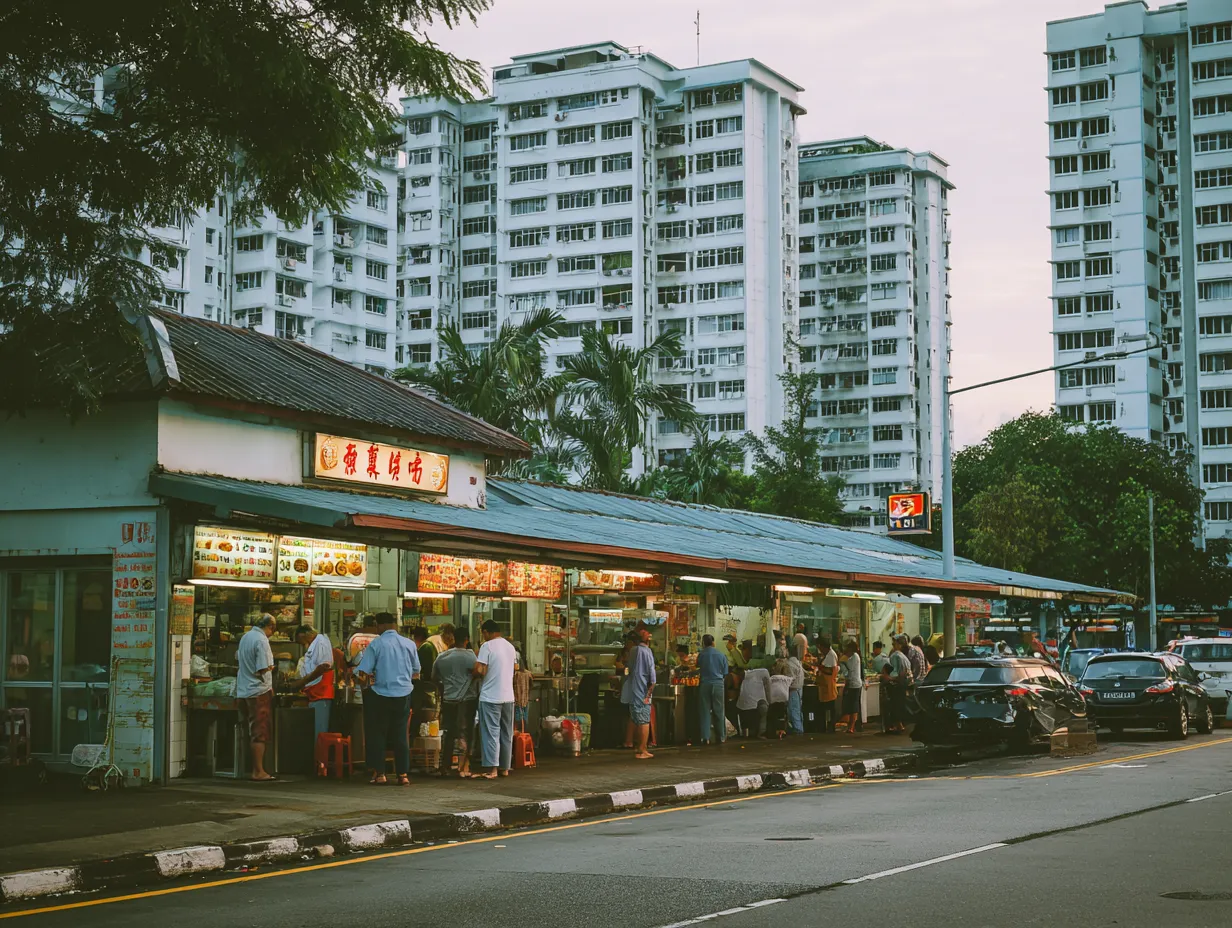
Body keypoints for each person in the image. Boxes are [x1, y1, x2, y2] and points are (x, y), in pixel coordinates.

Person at [356, 613, 419, 786]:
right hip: (404, 695)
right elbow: (416, 671)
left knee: (378, 734)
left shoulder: (376, 644)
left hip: (380, 695)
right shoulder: (409, 644)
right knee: (400, 734)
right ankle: (403, 775)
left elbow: (363, 673)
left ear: (381, 625)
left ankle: (380, 774)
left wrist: (362, 686)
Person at [474, 619, 517, 779]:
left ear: (487, 632)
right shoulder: (510, 647)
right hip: (508, 697)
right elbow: (515, 668)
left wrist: (475, 672)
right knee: (506, 733)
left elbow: (479, 669)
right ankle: (504, 768)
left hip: (490, 697)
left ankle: (491, 770)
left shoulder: (487, 646)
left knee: (491, 733)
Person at [236, 615, 277, 781]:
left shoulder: (246, 637)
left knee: (252, 730)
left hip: (244, 689)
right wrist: (271, 668)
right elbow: (261, 669)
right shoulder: (261, 640)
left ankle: (254, 769)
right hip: (258, 691)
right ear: (270, 627)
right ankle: (258, 771)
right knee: (260, 732)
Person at [432, 627, 477, 779]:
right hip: (467, 700)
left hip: (448, 700)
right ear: (466, 639)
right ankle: (463, 767)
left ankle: (445, 766)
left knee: (449, 733)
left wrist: (444, 689)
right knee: (466, 733)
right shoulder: (472, 657)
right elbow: (480, 673)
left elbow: (434, 677)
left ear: (452, 638)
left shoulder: (442, 657)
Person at [285, 625, 334, 743]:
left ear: (303, 635)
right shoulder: (314, 644)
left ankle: (320, 760)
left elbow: (324, 666)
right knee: (315, 733)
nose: (302, 645)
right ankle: (316, 759)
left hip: (321, 693)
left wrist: (302, 682)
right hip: (314, 694)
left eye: (300, 642)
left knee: (320, 734)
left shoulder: (321, 642)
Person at [628, 628, 657, 759]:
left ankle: (637, 747)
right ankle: (642, 750)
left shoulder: (633, 651)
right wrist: (649, 692)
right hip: (643, 690)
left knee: (636, 719)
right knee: (644, 721)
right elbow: (652, 676)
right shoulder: (647, 652)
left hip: (633, 690)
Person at [696, 634, 728, 745]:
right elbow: (725, 673)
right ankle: (721, 736)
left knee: (705, 711)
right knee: (719, 711)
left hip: (705, 684)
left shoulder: (701, 654)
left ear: (703, 643)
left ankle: (705, 737)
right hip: (718, 684)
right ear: (713, 642)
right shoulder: (721, 654)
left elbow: (698, 667)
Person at [883, 635, 913, 734]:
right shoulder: (904, 656)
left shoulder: (895, 655)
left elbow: (895, 672)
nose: (893, 646)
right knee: (900, 704)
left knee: (894, 705)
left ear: (899, 645)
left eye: (894, 644)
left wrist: (889, 678)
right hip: (904, 683)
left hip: (897, 684)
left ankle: (898, 725)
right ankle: (900, 724)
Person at [735, 666, 771, 738]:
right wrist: (769, 701)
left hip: (744, 707)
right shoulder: (764, 672)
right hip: (756, 707)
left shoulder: (746, 678)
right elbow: (768, 688)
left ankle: (746, 733)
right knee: (763, 709)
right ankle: (761, 733)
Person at [836, 640, 863, 734]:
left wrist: (842, 661)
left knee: (854, 706)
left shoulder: (854, 657)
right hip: (850, 683)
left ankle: (851, 726)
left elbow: (849, 670)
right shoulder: (851, 657)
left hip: (855, 684)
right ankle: (849, 725)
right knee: (849, 705)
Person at [816, 636, 839, 734]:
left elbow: (831, 671)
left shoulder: (831, 655)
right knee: (826, 708)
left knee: (829, 708)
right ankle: (825, 726)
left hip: (828, 686)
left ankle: (830, 726)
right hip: (825, 686)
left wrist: (821, 668)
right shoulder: (828, 654)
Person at [767, 662, 792, 738]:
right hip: (783, 698)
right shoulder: (787, 679)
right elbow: (793, 682)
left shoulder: (770, 678)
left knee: (773, 716)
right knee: (782, 716)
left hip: (773, 699)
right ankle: (782, 731)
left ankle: (774, 731)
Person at [785, 652, 806, 735]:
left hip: (793, 690)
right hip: (798, 689)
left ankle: (798, 729)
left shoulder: (790, 664)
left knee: (793, 710)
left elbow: (790, 678)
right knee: (797, 710)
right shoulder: (797, 662)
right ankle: (799, 728)